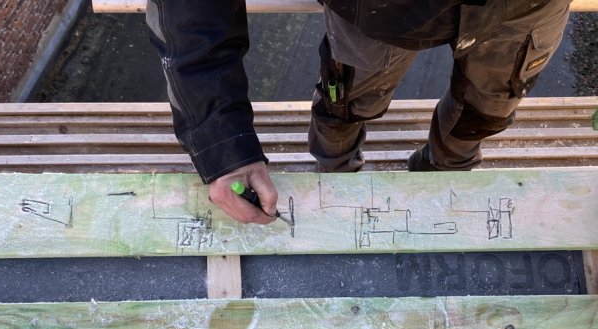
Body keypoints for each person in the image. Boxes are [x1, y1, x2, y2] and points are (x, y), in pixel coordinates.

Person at [145, 0, 571, 224]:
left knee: (484, 111)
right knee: (346, 105)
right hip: (375, 14)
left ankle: (446, 169)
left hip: (527, 9)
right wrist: (222, 146)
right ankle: (337, 171)